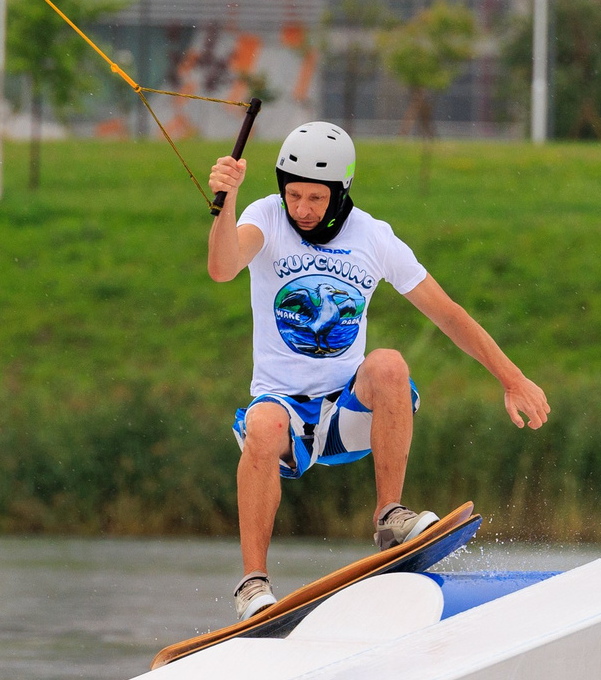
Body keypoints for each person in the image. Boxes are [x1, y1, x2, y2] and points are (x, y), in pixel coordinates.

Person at [206, 122, 550, 622]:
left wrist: (512, 378)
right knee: (263, 424)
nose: (302, 209)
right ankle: (253, 586)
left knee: (388, 363)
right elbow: (222, 267)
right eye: (294, 194)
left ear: (341, 191)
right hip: (282, 415)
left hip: (348, 413)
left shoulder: (373, 236)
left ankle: (390, 516)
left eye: (316, 199)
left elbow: (448, 313)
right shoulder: (265, 216)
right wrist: (226, 204)